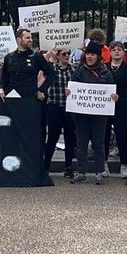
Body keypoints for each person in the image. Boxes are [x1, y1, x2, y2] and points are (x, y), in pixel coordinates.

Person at [67, 42, 119, 184]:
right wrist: (69, 92)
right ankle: (81, 172)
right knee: (81, 143)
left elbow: (113, 91)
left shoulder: (105, 72)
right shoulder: (79, 71)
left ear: (98, 56)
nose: (90, 57)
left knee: (99, 143)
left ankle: (99, 172)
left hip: (99, 115)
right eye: (88, 54)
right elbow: (72, 88)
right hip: (81, 115)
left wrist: (114, 97)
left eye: (93, 54)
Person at [44, 47, 77, 176]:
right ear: (58, 56)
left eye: (69, 53)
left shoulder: (74, 69)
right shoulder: (51, 69)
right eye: (64, 54)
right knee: (52, 137)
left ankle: (68, 166)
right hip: (55, 106)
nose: (67, 56)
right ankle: (46, 166)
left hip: (70, 107)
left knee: (70, 138)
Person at [0, 28, 55, 101]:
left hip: (30, 99)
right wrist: (1, 88)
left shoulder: (36, 56)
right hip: (12, 98)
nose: (30, 40)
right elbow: (4, 76)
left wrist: (41, 90)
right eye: (27, 38)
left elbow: (51, 74)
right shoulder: (9, 57)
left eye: (31, 37)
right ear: (18, 40)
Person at [106, 42, 127, 177]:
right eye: (114, 50)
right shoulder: (104, 67)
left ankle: (124, 164)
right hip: (105, 106)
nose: (116, 52)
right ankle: (103, 164)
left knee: (122, 135)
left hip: (122, 105)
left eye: (119, 50)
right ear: (110, 52)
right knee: (104, 135)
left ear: (123, 52)